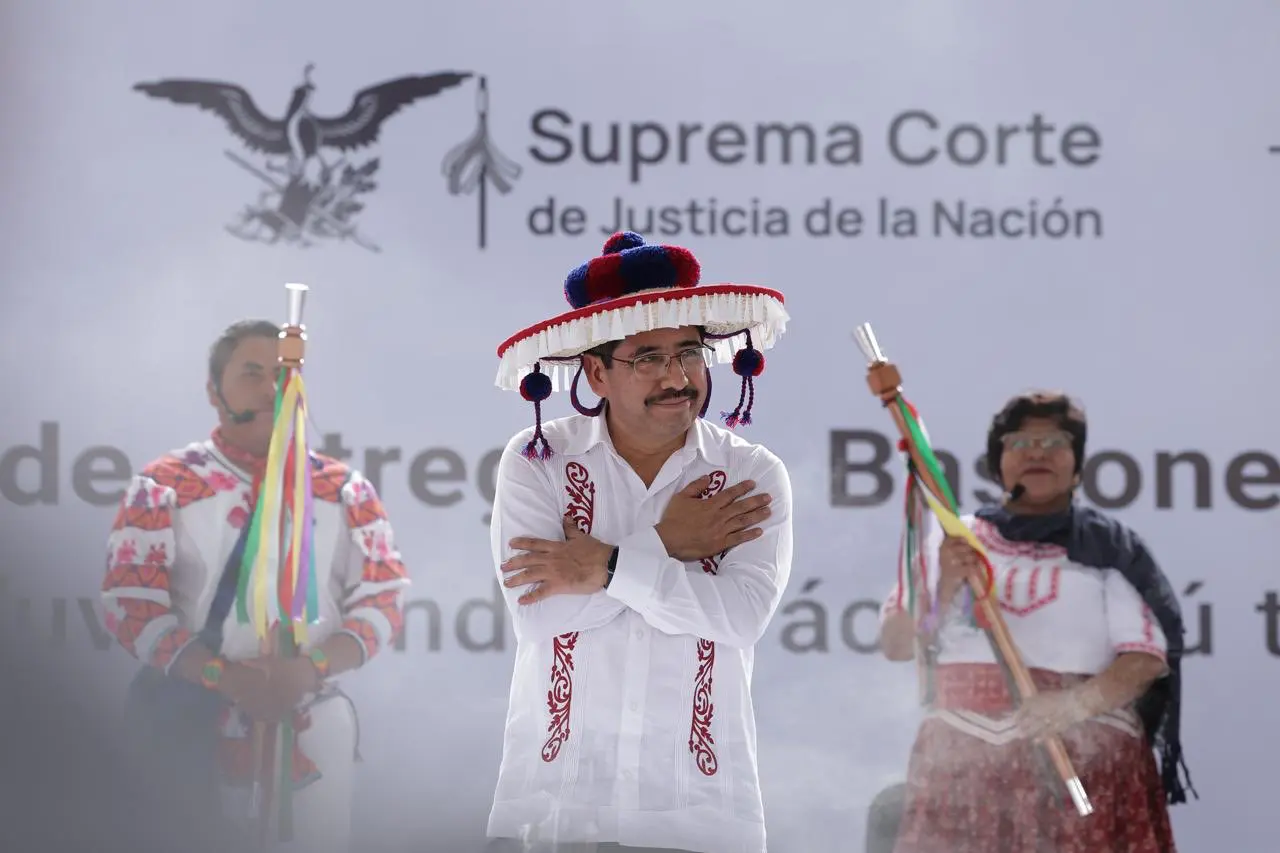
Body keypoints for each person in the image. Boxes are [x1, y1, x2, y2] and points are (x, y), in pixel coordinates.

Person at [484, 231, 794, 853]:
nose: (677, 378)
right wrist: (667, 541)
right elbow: (544, 611)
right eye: (648, 358)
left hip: (698, 814)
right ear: (597, 372)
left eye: (688, 353)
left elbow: (738, 619)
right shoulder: (538, 460)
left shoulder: (752, 473)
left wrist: (603, 564)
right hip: (555, 807)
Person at [99, 318, 410, 852]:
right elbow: (132, 603)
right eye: (251, 374)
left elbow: (383, 596)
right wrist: (224, 676)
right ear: (214, 391)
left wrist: (306, 670)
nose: (271, 388)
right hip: (189, 721)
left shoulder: (345, 488)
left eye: (283, 373)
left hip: (312, 720)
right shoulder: (164, 484)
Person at [877, 391, 1194, 853]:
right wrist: (945, 582)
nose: (1038, 453)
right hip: (962, 766)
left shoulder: (1108, 550)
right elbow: (896, 645)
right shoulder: (952, 540)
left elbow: (1145, 662)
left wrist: (1073, 706)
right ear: (998, 461)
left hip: (1083, 758)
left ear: (1078, 464)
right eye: (1021, 443)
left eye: (1055, 442)